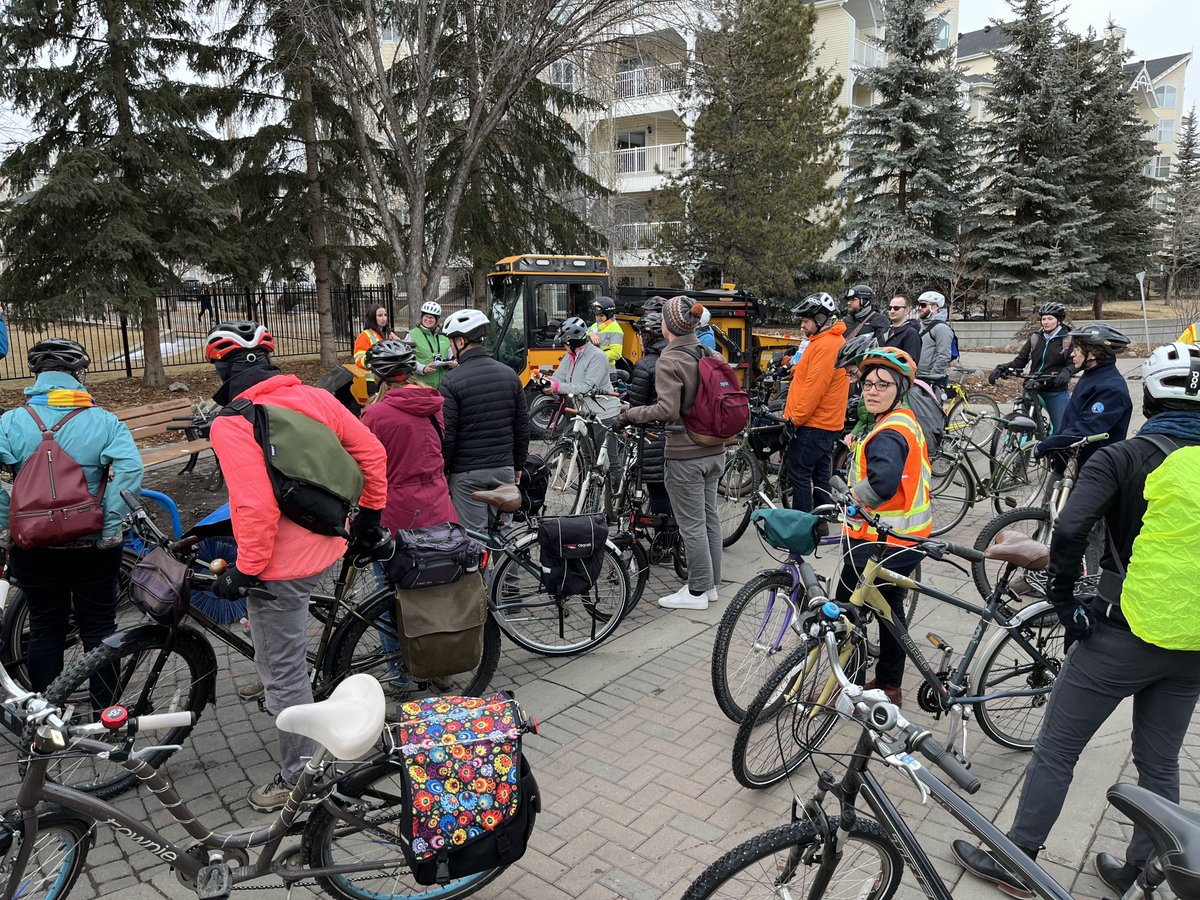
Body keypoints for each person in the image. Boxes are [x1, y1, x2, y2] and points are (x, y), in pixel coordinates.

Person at [953, 341, 1200, 898]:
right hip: (1192, 643)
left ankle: (1018, 860)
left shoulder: (1123, 457)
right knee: (1159, 762)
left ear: (1148, 397)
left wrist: (1066, 603)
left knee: (1058, 748)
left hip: (1119, 634)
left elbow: (1067, 531)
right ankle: (1142, 872)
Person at [205, 320, 388, 811]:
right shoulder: (315, 397)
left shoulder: (231, 421)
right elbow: (371, 450)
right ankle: (281, 680)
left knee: (284, 672)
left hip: (280, 564)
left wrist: (245, 570)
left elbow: (255, 507)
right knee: (282, 648)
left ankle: (300, 782)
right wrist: (370, 515)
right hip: (327, 539)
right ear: (268, 361)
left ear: (221, 369)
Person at [0, 339, 142, 709]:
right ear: (78, 374)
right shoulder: (104, 420)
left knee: (46, 628)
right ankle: (107, 714)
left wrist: (8, 527)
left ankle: (47, 717)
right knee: (100, 629)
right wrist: (111, 528)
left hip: (32, 547)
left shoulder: (11, 422)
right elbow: (130, 470)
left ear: (37, 376)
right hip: (91, 544)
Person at [836, 348, 931, 706]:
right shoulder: (900, 419)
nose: (872, 391)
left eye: (883, 385)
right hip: (903, 538)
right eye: (867, 383)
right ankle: (889, 684)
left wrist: (849, 499)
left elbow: (883, 483)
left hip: (880, 541)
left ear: (900, 389)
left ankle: (850, 688)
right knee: (889, 611)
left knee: (847, 610)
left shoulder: (890, 432)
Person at [617, 298, 723, 610]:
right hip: (714, 449)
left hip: (685, 452)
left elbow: (666, 410)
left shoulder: (669, 359)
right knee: (709, 518)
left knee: (691, 524)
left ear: (668, 326)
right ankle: (711, 585)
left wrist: (630, 413)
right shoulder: (708, 351)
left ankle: (696, 592)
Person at [439, 309, 529, 532]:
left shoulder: (451, 381)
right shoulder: (510, 375)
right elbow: (522, 427)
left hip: (467, 474)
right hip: (504, 470)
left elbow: (448, 435)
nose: (451, 348)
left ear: (460, 341)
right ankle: (508, 568)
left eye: (451, 342)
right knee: (504, 536)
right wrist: (517, 465)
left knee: (473, 539)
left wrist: (444, 470)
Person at [361, 340, 457, 533]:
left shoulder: (375, 415)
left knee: (390, 562)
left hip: (399, 516)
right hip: (439, 508)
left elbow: (364, 465)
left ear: (379, 375)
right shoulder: (434, 404)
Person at [1033, 324, 1132, 472]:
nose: (1072, 354)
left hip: (1092, 471)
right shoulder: (1092, 375)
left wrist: (1050, 444)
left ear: (1093, 354)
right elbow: (1072, 419)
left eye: (1077, 350)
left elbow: (1088, 428)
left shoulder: (1110, 388)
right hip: (1070, 462)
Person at [782, 293, 849, 512]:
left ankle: (801, 525)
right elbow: (808, 373)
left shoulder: (826, 345)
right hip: (825, 422)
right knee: (821, 475)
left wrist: (794, 420)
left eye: (805, 320)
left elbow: (814, 389)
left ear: (820, 319)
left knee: (799, 471)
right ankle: (822, 518)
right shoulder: (822, 342)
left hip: (814, 423)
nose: (802, 325)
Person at [988, 302, 1073, 432]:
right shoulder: (1036, 337)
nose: (1046, 322)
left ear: (1059, 320)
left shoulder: (1068, 340)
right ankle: (1020, 450)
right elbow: (1020, 361)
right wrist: (1001, 368)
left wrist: (1067, 371)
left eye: (1050, 318)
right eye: (1043, 318)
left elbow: (1075, 362)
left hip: (1055, 390)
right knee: (1021, 424)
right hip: (1032, 387)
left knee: (1061, 428)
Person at [625, 311, 670, 516]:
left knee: (658, 490)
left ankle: (663, 542)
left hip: (654, 437)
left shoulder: (646, 364)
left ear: (647, 336)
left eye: (641, 335)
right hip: (685, 436)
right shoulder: (679, 357)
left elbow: (636, 406)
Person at [540, 316, 620, 423]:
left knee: (599, 440)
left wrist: (557, 387)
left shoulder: (597, 356)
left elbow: (587, 387)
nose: (564, 347)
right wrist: (548, 383)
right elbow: (559, 376)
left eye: (564, 344)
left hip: (604, 413)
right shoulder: (570, 355)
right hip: (584, 412)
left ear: (572, 343)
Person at [408, 301, 456, 390]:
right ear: (422, 317)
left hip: (444, 385)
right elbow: (407, 359)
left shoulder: (443, 335)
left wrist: (454, 363)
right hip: (422, 385)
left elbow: (452, 354)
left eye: (432, 318)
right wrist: (422, 368)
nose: (428, 320)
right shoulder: (412, 334)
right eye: (426, 316)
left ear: (436, 320)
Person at [353, 304, 398, 398]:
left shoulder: (386, 335)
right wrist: (376, 360)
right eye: (380, 315)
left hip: (386, 381)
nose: (384, 318)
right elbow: (359, 360)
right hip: (372, 382)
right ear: (373, 318)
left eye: (385, 315)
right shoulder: (365, 335)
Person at [915, 290, 953, 392]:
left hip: (932, 379)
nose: (920, 308)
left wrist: (933, 376)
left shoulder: (941, 328)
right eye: (919, 305)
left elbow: (944, 355)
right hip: (919, 376)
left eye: (923, 305)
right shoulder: (922, 326)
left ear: (935, 307)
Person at [879, 293, 922, 363]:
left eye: (896, 308)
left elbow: (911, 364)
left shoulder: (911, 333)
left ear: (907, 310)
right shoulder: (884, 331)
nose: (892, 311)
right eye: (890, 308)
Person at [588, 296, 625, 368]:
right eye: (596, 315)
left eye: (601, 315)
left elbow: (616, 353)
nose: (598, 318)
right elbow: (585, 333)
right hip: (594, 367)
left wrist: (595, 357)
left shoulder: (615, 328)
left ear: (609, 315)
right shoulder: (596, 325)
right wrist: (591, 334)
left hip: (607, 369)